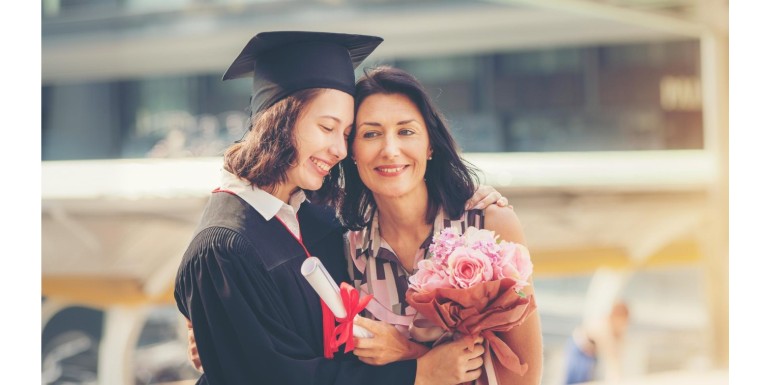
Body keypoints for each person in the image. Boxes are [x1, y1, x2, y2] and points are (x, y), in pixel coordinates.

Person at [175, 31, 508, 385]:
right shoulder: (223, 249)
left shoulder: (312, 214)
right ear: (279, 120)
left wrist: (467, 197)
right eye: (326, 127)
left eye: (346, 133)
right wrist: (417, 373)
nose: (339, 150)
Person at [337, 66, 544, 385]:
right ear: (352, 151)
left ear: (430, 145)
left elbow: (525, 372)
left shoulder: (489, 224)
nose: (390, 150)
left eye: (406, 131)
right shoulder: (350, 251)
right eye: (371, 133)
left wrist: (407, 352)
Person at [563, 301, 630, 384]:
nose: (623, 324)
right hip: (579, 348)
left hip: (591, 352)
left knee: (587, 378)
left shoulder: (617, 330)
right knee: (576, 378)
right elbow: (611, 358)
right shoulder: (604, 327)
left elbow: (617, 353)